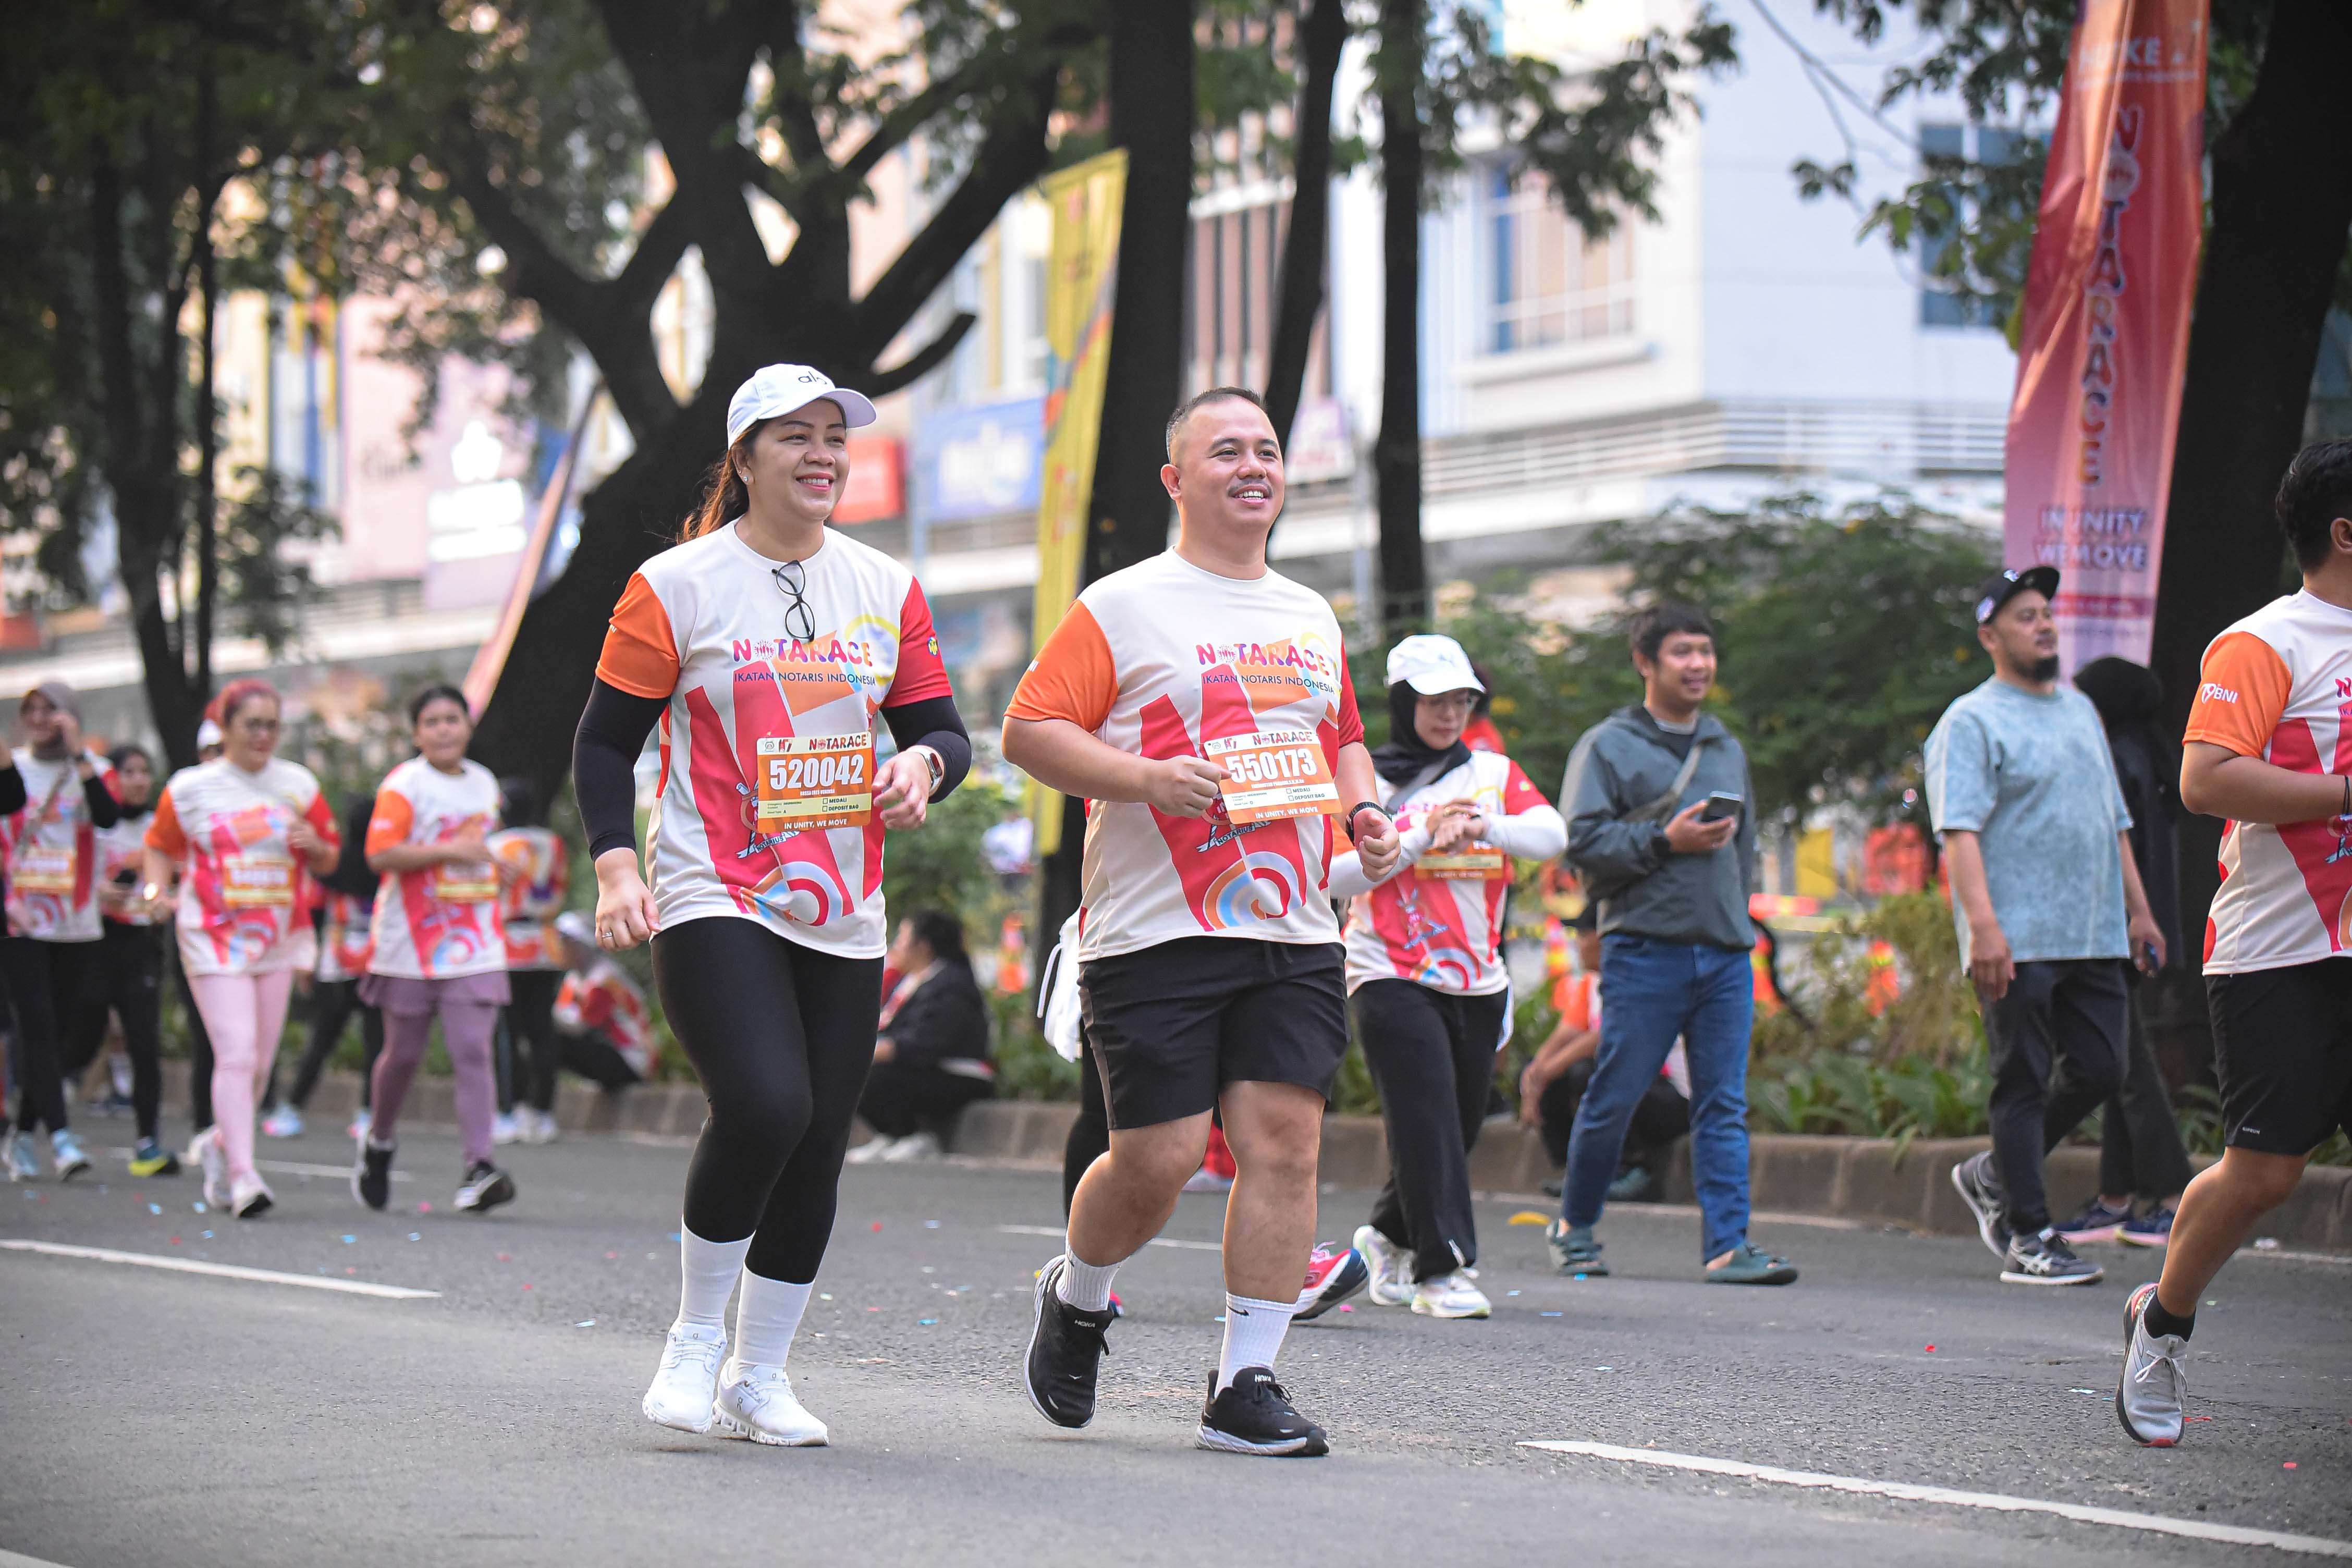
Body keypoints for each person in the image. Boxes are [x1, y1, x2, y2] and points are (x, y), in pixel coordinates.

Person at [1002, 385, 1402, 1457]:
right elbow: (1030, 730)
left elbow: (1342, 737)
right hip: (1154, 926)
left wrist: (1364, 810)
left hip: (1293, 924)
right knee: (1161, 1158)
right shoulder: (1124, 604)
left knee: (1286, 1143)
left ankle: (1243, 1382)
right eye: (1226, 451)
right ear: (1176, 480)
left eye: (1266, 449)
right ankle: (1079, 1295)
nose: (1252, 466)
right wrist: (1145, 777)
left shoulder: (1307, 613)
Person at [576, 363, 971, 1448]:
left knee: (818, 1140)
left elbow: (942, 729)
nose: (821, 454)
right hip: (714, 885)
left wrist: (924, 768)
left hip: (843, 903)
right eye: (794, 436)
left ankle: (759, 1377)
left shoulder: (884, 585)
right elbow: (605, 743)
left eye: (834, 437)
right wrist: (616, 866)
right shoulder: (677, 584)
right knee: (763, 1104)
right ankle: (695, 1338)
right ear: (744, 459)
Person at [2116, 439, 2352, 1444]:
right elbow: (2205, 778)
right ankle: (2162, 1321)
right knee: (2264, 1172)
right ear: (2343, 532)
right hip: (2279, 950)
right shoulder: (2263, 643)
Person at [1928, 567, 2167, 1286]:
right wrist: (1983, 928)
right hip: (2016, 935)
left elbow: (2113, 821)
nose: (2043, 624)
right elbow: (1959, 831)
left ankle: (1994, 1173)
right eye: (2025, 615)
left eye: (2045, 613)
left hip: (2092, 930)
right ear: (1990, 636)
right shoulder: (1970, 721)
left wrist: (2139, 910)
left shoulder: (2079, 711)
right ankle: (2028, 1235)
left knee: (2104, 1069)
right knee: (2023, 1080)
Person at [1550, 602, 1796, 1286]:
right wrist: (1664, 840)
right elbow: (1581, 842)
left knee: (1723, 1102)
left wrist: (1739, 926)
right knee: (1616, 1094)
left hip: (1725, 953)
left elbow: (1743, 852)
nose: (1698, 664)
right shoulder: (1607, 746)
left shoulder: (1724, 747)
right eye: (1682, 652)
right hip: (1644, 950)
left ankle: (1728, 1246)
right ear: (1645, 662)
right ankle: (1574, 1226)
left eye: (1705, 651)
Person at [1329, 633, 1565, 1319]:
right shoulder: (1365, 780)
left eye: (1461, 700)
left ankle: (1386, 1236)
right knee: (1427, 1116)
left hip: (1478, 980)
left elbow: (1552, 836)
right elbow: (1336, 873)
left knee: (1454, 1128)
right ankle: (1443, 1270)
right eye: (1434, 701)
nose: (1449, 714)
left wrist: (1484, 825)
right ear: (1404, 703)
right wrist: (1419, 835)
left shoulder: (1492, 773)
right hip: (1388, 972)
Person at [141, 679, 340, 1217]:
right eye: (252, 724)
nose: (263, 735)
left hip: (277, 936)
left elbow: (329, 856)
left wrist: (315, 846)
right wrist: (156, 893)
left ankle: (219, 1143)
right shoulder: (191, 788)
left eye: (272, 725)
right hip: (211, 935)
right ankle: (244, 1176)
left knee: (260, 1065)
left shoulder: (298, 784)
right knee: (237, 1052)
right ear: (224, 727)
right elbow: (158, 847)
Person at [352, 685, 520, 1217]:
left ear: (468, 726)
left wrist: (495, 865)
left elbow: (480, 847)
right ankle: (379, 1141)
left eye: (453, 719)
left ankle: (479, 1167)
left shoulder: (484, 783)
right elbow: (380, 853)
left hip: (474, 939)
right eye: (432, 722)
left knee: (473, 1049)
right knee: (403, 1055)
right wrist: (451, 849)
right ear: (416, 733)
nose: (444, 729)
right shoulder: (404, 785)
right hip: (411, 941)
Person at [2053, 657, 2194, 1247]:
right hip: (2144, 924)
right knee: (2117, 1057)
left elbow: (2110, 847)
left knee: (2128, 1064)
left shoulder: (2113, 757)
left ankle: (2175, 1196)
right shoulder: (2153, 755)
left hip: (2113, 927)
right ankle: (2115, 1196)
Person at [2, 682, 115, 1183]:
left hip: (77, 920)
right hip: (21, 918)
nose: (40, 719)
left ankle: (24, 1134)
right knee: (37, 1028)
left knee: (63, 1031)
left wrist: (79, 756)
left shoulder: (91, 770)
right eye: (31, 710)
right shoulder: (12, 770)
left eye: (51, 710)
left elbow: (108, 818)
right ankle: (63, 1138)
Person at [1521, 909, 1690, 1203]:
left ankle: (1636, 1169)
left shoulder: (1641, 977)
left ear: (1604, 939)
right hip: (1636, 1092)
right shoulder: (1590, 984)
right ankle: (1580, 1170)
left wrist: (1550, 1068)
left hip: (1673, 1100)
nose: (1577, 944)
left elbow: (1610, 1035)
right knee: (1548, 1073)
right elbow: (1565, 1035)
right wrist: (1535, 1075)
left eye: (1582, 936)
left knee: (1589, 1071)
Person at [69, 743, 176, 1175]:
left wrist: (162, 901)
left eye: (144, 771)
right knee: (82, 1039)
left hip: (139, 944)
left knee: (144, 1044)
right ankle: (36, 1125)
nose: (138, 780)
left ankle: (148, 1143)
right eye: (128, 771)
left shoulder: (158, 828)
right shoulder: (94, 824)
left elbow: (175, 880)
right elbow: (67, 873)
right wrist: (97, 893)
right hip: (94, 942)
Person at [266, 797, 385, 1139]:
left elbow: (314, 911)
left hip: (336, 963)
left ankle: (292, 1109)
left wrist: (307, 961)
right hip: (379, 963)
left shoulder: (334, 865)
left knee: (322, 1040)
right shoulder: (388, 865)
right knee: (376, 1043)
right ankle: (369, 1114)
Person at [848, 909, 995, 1163]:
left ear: (923, 947)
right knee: (855, 1073)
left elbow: (926, 1042)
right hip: (923, 1068)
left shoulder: (952, 984)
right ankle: (890, 1134)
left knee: (871, 1077)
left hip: (959, 1073)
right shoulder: (913, 980)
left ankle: (914, 1136)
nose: (895, 947)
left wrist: (872, 1052)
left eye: (902, 939)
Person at [489, 776, 571, 1145]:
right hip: (546, 943)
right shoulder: (553, 843)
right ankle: (543, 1112)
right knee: (542, 1031)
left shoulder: (495, 847)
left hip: (507, 945)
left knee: (507, 1032)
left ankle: (509, 1110)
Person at [175, 716, 226, 1162]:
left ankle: (230, 1130)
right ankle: (204, 1125)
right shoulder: (185, 795)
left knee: (242, 1044)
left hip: (248, 937)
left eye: (222, 750)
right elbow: (156, 850)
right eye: (210, 751)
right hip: (197, 935)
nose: (217, 759)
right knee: (207, 1033)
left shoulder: (262, 798)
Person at [547, 910, 656, 1091]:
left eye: (567, 944)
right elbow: (563, 1015)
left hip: (633, 1060)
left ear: (582, 946)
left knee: (554, 1041)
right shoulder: (574, 979)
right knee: (545, 1038)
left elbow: (580, 1025)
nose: (562, 949)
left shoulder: (605, 979)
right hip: (609, 1052)